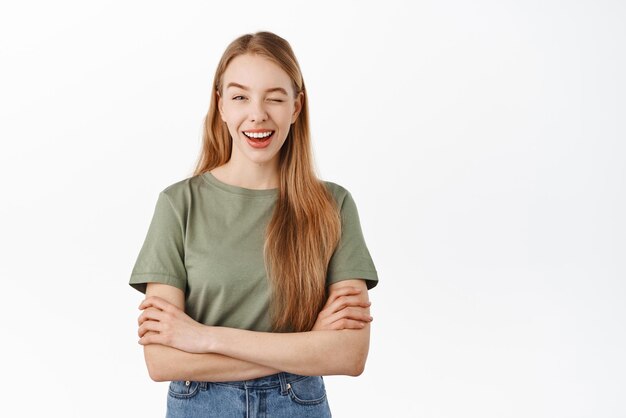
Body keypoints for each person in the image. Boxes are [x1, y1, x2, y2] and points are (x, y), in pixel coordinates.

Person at [129, 31, 379, 418]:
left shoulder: (333, 205)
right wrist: (309, 346)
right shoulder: (179, 204)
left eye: (275, 98)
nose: (257, 114)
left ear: (296, 107)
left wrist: (203, 338)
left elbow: (349, 353)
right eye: (240, 96)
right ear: (221, 106)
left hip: (298, 406)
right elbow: (162, 361)